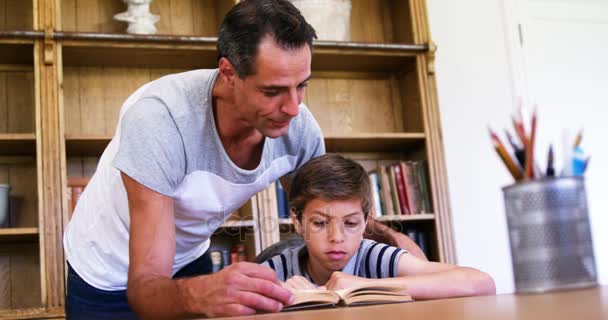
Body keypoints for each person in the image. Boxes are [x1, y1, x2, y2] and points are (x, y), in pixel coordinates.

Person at [63, 0, 425, 318]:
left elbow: (330, 207)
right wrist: (196, 293)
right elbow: (144, 289)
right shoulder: (160, 119)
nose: (293, 107)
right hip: (108, 272)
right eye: (273, 91)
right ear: (228, 73)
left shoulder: (299, 127)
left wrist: (391, 239)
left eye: (301, 85)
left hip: (188, 257)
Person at [261, 154, 496, 300]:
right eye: (320, 223)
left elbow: (481, 283)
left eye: (351, 223)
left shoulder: (376, 257)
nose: (336, 237)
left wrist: (365, 286)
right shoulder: (277, 269)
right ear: (297, 221)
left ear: (366, 220)